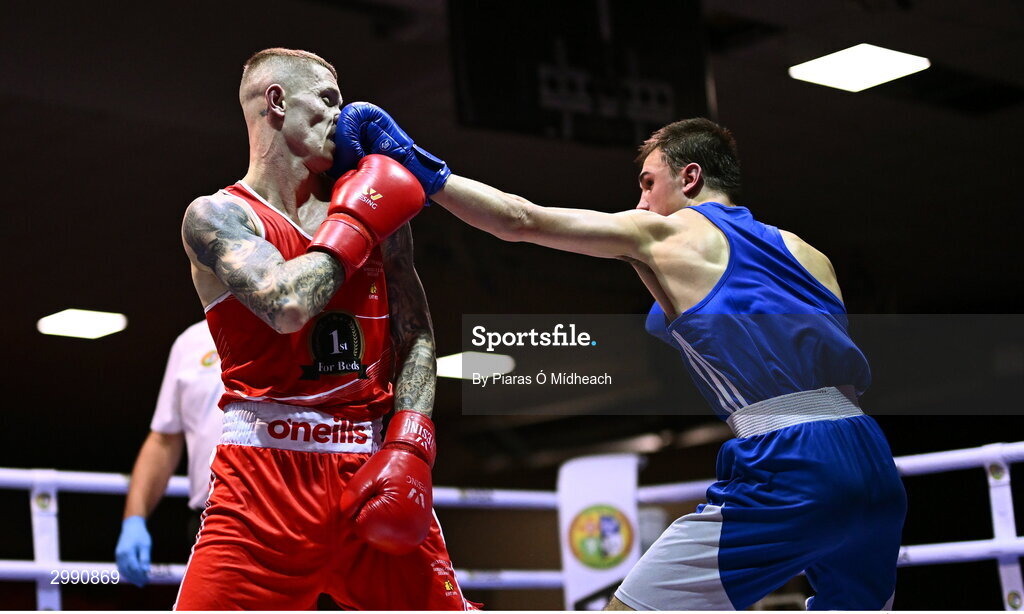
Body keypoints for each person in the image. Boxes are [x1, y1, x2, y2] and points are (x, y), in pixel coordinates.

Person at [336, 105, 908, 610]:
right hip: (874, 461)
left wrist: (418, 166)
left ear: (690, 177)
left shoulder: (666, 235)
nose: (640, 202)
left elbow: (519, 219)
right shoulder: (813, 255)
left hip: (790, 462)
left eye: (647, 183)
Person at [174, 48, 473, 610]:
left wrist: (412, 438)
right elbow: (285, 305)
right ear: (277, 103)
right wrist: (358, 220)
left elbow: (416, 332)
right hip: (262, 483)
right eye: (329, 100)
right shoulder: (217, 216)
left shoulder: (373, 204)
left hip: (370, 464)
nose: (346, 114)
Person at [115, 321, 223, 587]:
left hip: (293, 516)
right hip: (211, 523)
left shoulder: (297, 325)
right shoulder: (191, 341)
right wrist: (134, 519)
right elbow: (165, 438)